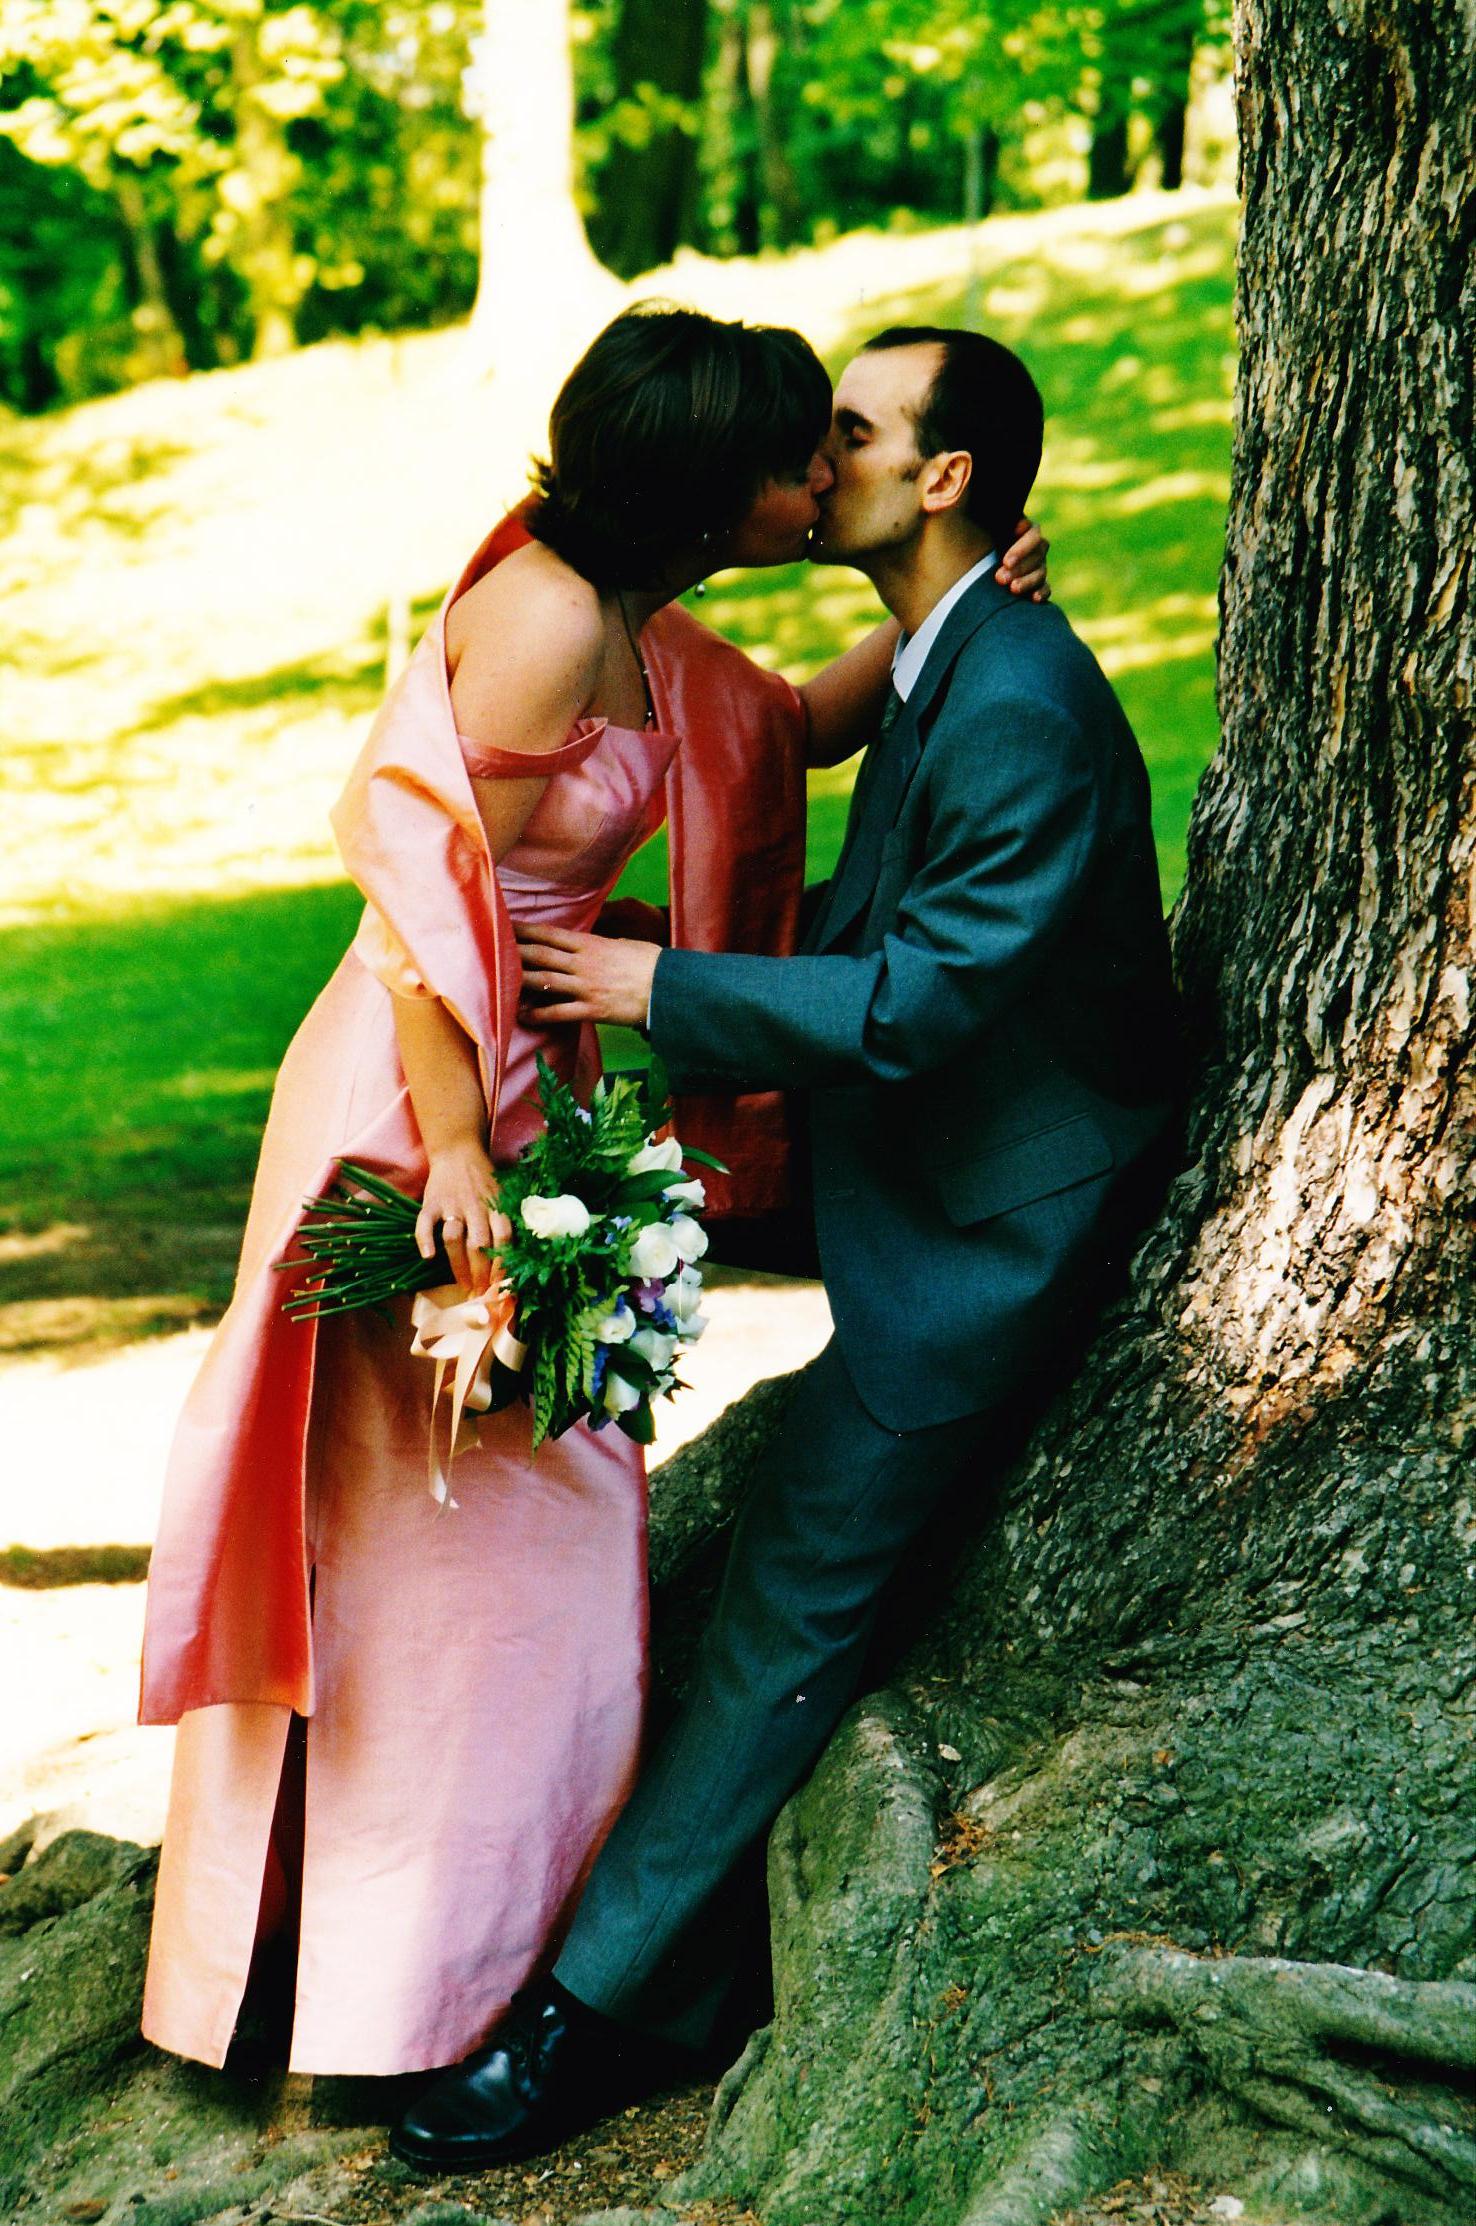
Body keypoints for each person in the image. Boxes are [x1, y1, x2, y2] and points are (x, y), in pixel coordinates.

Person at [138, 302, 1050, 2079]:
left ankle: (431, 1974)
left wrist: (953, 605)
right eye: (799, 456)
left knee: (513, 1544)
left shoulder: (649, 626)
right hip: (414, 1100)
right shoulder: (548, 618)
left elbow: (784, 727)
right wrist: (457, 1150)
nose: (823, 478)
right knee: (420, 1538)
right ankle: (349, 1985)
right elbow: (416, 889)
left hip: (526, 1090)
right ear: (711, 484)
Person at [393, 325, 1183, 2169]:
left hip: (991, 1228)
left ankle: (588, 2023)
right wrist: (647, 964)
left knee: (790, 1586)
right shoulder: (946, 653)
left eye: (850, 433)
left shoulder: (1017, 694)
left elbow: (917, 998)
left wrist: (651, 986)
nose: (816, 466)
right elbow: (864, 897)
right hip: (919, 1164)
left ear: (945, 478)